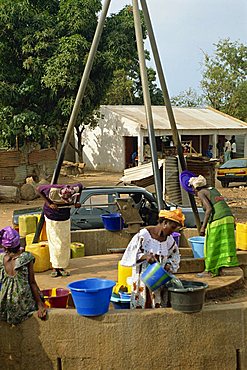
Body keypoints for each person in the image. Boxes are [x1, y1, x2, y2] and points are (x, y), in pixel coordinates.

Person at [120, 209, 185, 309]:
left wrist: (169, 264)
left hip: (159, 281)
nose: (173, 232)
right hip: (142, 281)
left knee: (158, 305)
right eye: (172, 227)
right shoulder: (144, 236)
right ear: (164, 223)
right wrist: (145, 256)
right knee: (143, 305)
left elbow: (175, 255)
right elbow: (129, 255)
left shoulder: (169, 240)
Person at [188, 175, 238, 277]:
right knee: (222, 245)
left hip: (219, 219)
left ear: (196, 188)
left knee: (211, 245)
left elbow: (209, 209)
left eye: (193, 189)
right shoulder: (213, 189)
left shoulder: (201, 192)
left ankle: (209, 270)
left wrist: (203, 227)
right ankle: (219, 267)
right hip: (228, 217)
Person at [0, 226, 47, 325]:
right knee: (39, 296)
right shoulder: (26, 258)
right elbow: (32, 283)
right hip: (23, 306)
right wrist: (40, 304)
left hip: (5, 305)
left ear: (4, 247)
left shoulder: (1, 259)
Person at [37, 183, 83, 277]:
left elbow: (81, 187)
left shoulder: (74, 188)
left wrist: (76, 202)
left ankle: (62, 267)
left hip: (65, 217)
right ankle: (55, 267)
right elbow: (38, 189)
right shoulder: (51, 190)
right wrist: (49, 203)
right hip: (52, 216)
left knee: (64, 242)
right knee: (55, 242)